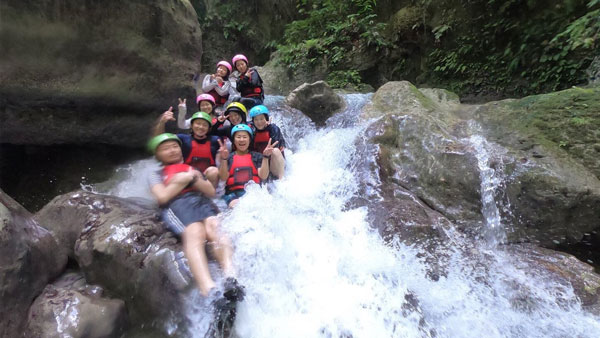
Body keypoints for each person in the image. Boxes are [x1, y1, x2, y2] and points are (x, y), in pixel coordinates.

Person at [147, 133, 243, 299]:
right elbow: (162, 197)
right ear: (157, 155)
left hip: (201, 201)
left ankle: (230, 275)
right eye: (165, 148)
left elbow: (211, 191)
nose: (171, 150)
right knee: (195, 232)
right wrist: (183, 180)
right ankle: (208, 288)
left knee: (216, 226)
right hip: (177, 204)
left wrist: (192, 178)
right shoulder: (155, 174)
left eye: (174, 146)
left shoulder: (191, 169)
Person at [154, 108, 220, 187]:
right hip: (186, 177)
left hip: (206, 181)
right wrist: (162, 122)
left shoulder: (216, 141)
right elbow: (160, 140)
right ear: (191, 125)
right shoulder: (183, 138)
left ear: (209, 129)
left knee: (214, 171)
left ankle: (210, 197)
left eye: (205, 125)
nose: (201, 127)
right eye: (198, 123)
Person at [217, 124, 277, 208]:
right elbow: (223, 178)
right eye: (238, 137)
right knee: (236, 205)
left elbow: (263, 176)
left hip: (253, 193)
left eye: (245, 137)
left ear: (249, 140)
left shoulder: (257, 156)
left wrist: (266, 157)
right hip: (233, 194)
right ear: (234, 140)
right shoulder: (229, 157)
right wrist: (223, 159)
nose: (241, 140)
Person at [249, 105, 286, 179]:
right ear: (253, 121)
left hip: (274, 163)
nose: (259, 122)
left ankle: (281, 181)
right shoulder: (252, 131)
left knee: (275, 150)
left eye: (261, 119)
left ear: (266, 119)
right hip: (261, 163)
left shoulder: (273, 128)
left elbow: (277, 145)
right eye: (256, 119)